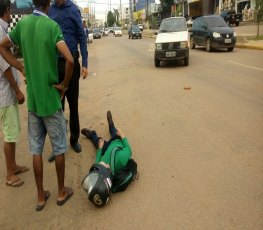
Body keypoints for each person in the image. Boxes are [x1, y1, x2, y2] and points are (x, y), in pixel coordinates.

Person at [0, 0, 74, 211]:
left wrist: (21, 67)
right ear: (48, 4)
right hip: (51, 99)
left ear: (33, 2)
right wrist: (64, 86)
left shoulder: (22, 25)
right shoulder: (52, 26)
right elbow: (69, 60)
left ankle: (41, 196)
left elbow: (2, 46)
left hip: (32, 101)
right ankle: (61, 192)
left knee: (36, 150)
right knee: (59, 148)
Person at [48, 0, 88, 159]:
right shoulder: (50, 10)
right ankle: (57, 146)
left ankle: (74, 139)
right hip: (55, 64)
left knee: (73, 103)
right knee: (57, 107)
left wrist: (85, 63)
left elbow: (82, 37)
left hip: (72, 63)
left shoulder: (73, 10)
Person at [0, 0, 29, 188]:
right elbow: (4, 67)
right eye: (10, 10)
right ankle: (10, 174)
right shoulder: (0, 31)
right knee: (10, 134)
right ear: (7, 11)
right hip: (6, 92)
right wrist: (17, 90)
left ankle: (14, 166)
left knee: (12, 131)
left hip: (7, 90)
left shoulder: (3, 29)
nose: (11, 14)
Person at [81, 111, 132, 207]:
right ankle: (111, 125)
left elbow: (98, 158)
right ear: (106, 171)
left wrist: (100, 147)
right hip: (117, 142)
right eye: (101, 164)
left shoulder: (99, 168)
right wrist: (122, 135)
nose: (100, 162)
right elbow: (128, 149)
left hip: (106, 148)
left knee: (98, 141)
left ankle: (92, 134)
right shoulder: (120, 159)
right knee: (114, 132)